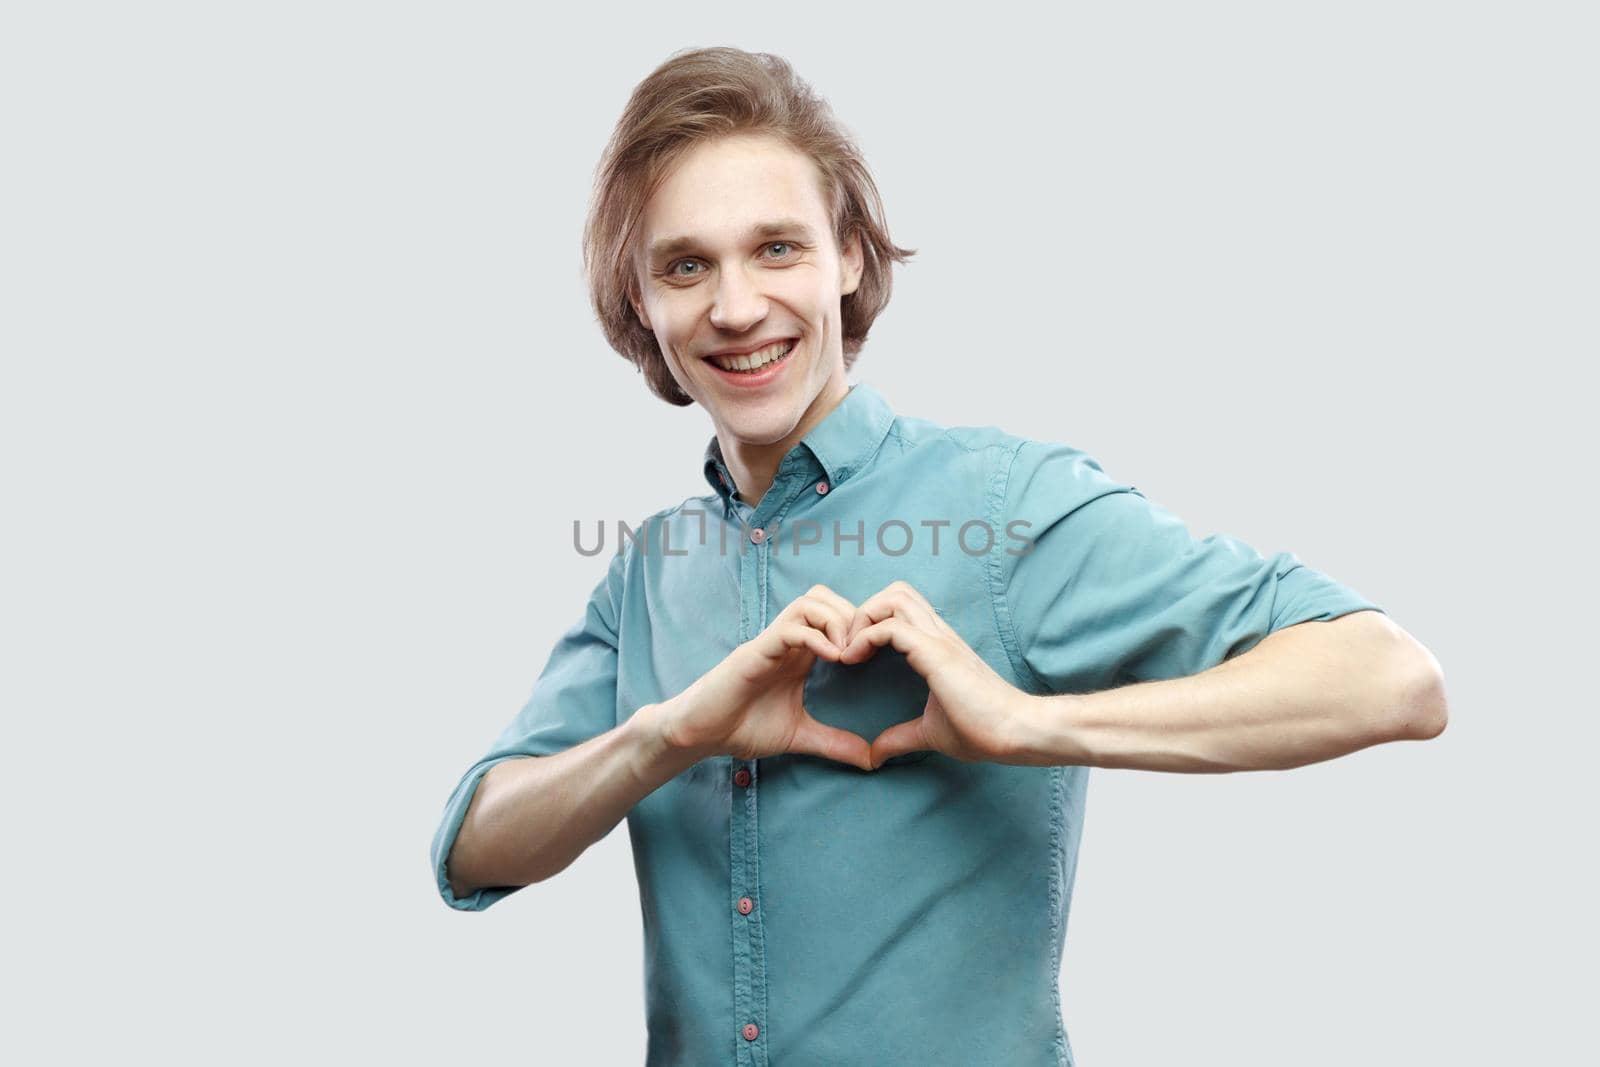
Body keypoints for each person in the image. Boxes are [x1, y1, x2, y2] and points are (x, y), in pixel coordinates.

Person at [429, 46, 1448, 1067]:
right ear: (640, 301)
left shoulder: (1003, 507)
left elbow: (1388, 676)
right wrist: (668, 735)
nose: (734, 307)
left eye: (777, 248)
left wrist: (1027, 723)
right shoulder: (647, 568)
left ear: (851, 259)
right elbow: (474, 844)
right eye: (684, 265)